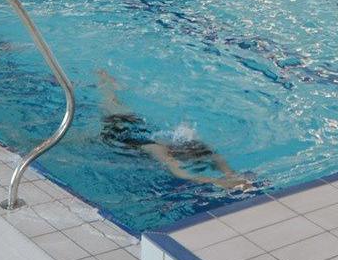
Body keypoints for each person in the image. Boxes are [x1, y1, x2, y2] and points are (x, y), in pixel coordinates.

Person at [94, 69, 251, 191]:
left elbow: (214, 156)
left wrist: (231, 175)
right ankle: (105, 82)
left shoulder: (183, 146)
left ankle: (108, 84)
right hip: (115, 135)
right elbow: (179, 173)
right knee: (110, 105)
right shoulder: (156, 148)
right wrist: (219, 182)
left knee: (117, 105)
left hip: (138, 127)